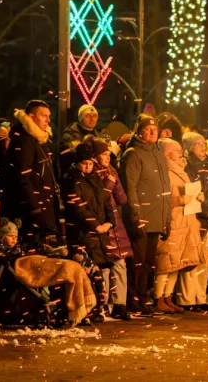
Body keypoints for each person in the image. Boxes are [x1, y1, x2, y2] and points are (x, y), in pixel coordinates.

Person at [120, 115, 171, 316]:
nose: (152, 132)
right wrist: (135, 215)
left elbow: (166, 188)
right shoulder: (133, 154)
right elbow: (129, 188)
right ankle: (132, 299)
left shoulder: (158, 155)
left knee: (149, 263)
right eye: (148, 129)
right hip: (141, 218)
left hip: (157, 219)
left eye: (155, 129)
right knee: (137, 263)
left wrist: (167, 218)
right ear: (139, 132)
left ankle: (142, 298)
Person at [62, 142, 116, 320]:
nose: (87, 167)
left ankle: (100, 307)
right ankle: (87, 309)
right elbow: (78, 207)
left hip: (100, 233)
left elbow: (107, 201)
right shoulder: (72, 180)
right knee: (88, 272)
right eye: (84, 164)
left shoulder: (96, 179)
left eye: (90, 164)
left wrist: (110, 222)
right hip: (83, 234)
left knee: (101, 270)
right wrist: (95, 225)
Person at [2, 101, 62, 245]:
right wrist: (36, 211)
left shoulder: (39, 140)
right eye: (43, 116)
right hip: (31, 214)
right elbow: (23, 178)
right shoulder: (25, 141)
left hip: (41, 210)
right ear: (31, 116)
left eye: (49, 116)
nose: (48, 120)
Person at [159, 138, 205, 312]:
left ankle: (168, 297)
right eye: (176, 149)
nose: (180, 152)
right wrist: (178, 200)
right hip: (174, 221)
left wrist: (198, 196)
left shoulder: (182, 171)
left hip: (186, 220)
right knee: (166, 262)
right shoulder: (165, 171)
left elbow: (187, 191)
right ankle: (159, 298)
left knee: (176, 264)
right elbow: (161, 197)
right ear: (167, 152)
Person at [91, 137, 134, 321]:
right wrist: (109, 183)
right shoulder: (92, 174)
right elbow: (100, 198)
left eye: (109, 153)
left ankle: (120, 303)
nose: (108, 157)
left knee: (121, 264)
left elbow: (122, 199)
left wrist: (114, 182)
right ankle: (105, 304)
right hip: (104, 225)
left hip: (116, 226)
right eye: (104, 154)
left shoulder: (111, 172)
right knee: (105, 267)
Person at [182, 131, 208, 307]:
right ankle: (188, 298)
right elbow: (192, 195)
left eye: (203, 143)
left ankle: (200, 296)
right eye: (198, 144)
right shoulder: (188, 167)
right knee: (192, 259)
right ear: (189, 147)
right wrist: (206, 210)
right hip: (197, 217)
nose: (202, 147)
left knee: (205, 259)